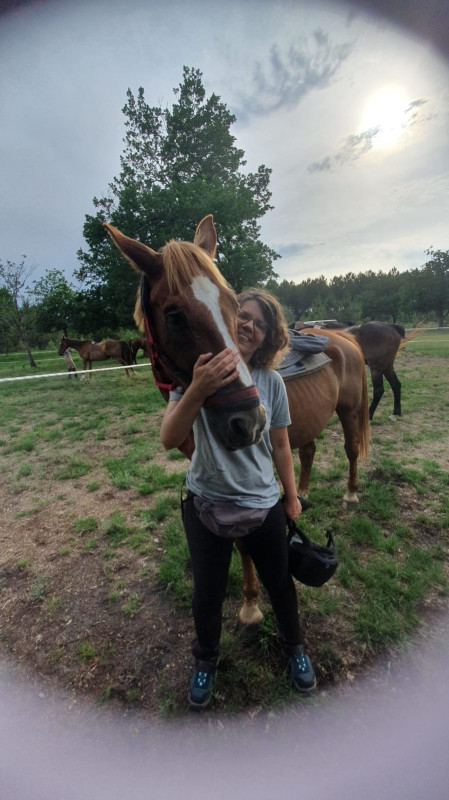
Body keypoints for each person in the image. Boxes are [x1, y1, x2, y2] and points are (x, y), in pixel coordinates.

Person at [160, 288, 316, 709]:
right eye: (242, 316)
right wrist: (197, 387)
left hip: (263, 504)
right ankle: (206, 661)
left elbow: (282, 446)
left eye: (259, 323)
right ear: (228, 319)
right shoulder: (195, 373)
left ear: (267, 337)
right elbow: (169, 439)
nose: (248, 324)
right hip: (205, 503)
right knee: (207, 594)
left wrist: (290, 497)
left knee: (280, 585)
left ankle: (295, 648)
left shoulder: (271, 382)